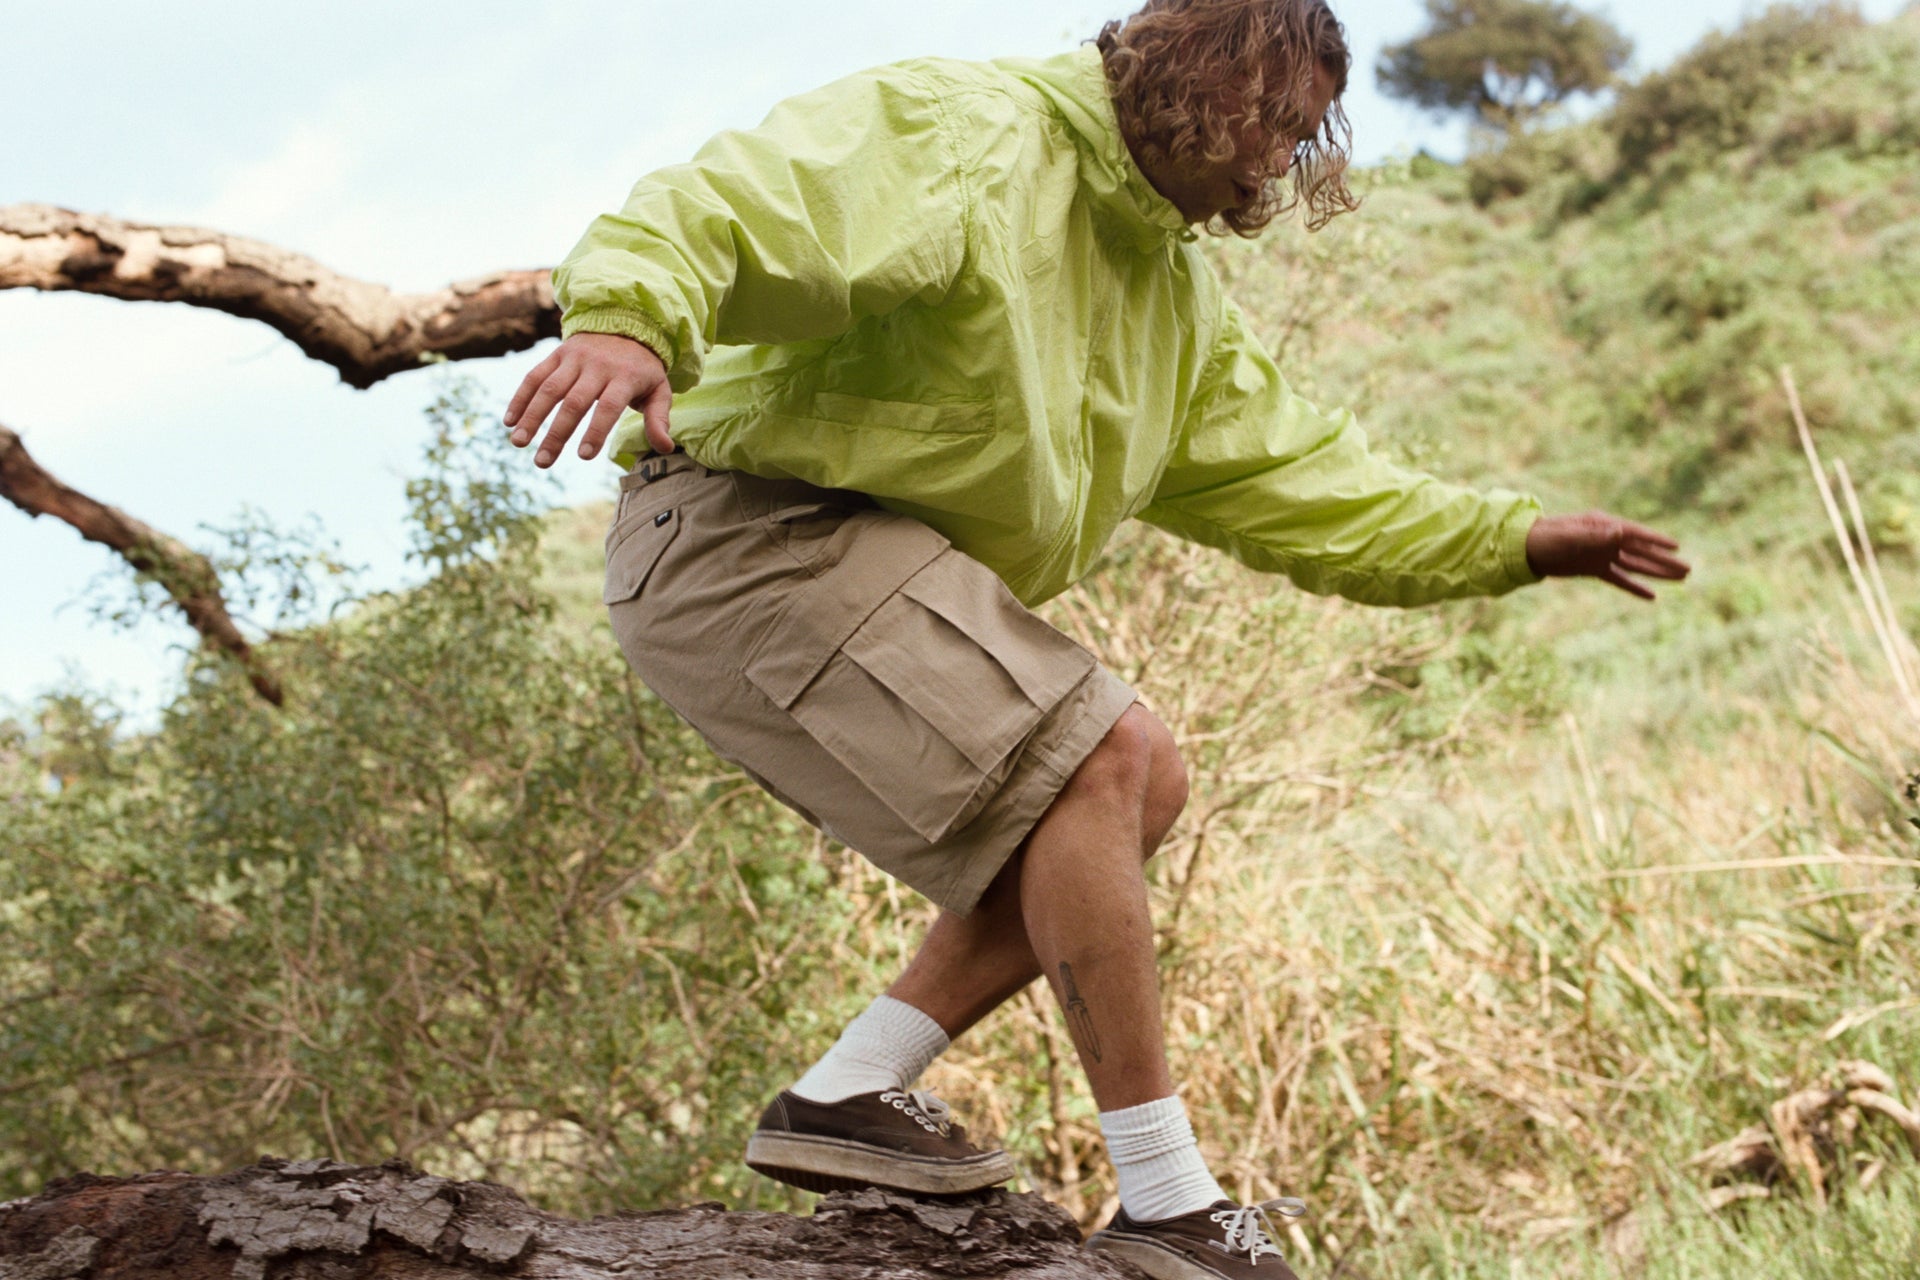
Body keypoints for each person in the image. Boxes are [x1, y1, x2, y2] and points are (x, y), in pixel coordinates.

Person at [504, 2, 1690, 1276]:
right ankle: (1170, 1195)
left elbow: (1314, 483)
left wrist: (1510, 541)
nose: (1276, 164)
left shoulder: (1172, 306)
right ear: (1197, 60)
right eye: (1271, 118)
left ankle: (851, 1087)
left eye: (1302, 139)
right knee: (1098, 754)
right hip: (741, 532)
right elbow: (748, 202)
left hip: (844, 559)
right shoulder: (976, 134)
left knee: (1137, 784)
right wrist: (629, 315)